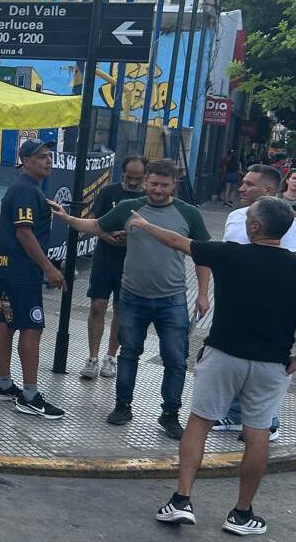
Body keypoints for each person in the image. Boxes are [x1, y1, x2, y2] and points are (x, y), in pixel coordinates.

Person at [137, 197, 296, 536]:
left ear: (255, 227)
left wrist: (143, 225)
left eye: (249, 219)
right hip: (272, 365)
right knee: (257, 436)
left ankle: (181, 501)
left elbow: (176, 241)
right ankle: (242, 514)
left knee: (199, 423)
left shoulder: (229, 254)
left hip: (222, 355)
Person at [50, 160, 210, 439]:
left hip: (172, 299)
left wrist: (204, 293)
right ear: (146, 182)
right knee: (128, 354)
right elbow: (97, 225)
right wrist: (67, 219)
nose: (158, 189)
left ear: (174, 185)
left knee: (175, 359)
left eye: (164, 184)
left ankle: (170, 413)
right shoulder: (128, 208)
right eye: (154, 183)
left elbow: (203, 254)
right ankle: (123, 405)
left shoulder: (189, 214)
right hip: (133, 296)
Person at [213, 164, 296, 438]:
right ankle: (232, 414)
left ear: (267, 190)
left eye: (248, 184)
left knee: (266, 363)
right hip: (233, 304)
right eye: (241, 182)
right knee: (231, 357)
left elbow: (295, 264)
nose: (241, 188)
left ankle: (268, 420)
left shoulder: (285, 221)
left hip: (270, 309)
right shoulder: (234, 217)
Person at [0, 139, 67, 419]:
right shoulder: (25, 190)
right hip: (21, 272)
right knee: (32, 327)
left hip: (6, 267)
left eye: (49, 156)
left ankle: (4, 383)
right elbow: (24, 233)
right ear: (25, 160)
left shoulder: (29, 190)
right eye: (42, 156)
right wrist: (49, 268)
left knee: (6, 321)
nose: (48, 161)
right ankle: (30, 396)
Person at [80, 155, 147, 380]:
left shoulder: (148, 199)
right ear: (122, 174)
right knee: (97, 306)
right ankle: (92, 357)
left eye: (138, 178)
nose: (134, 182)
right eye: (129, 177)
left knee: (121, 310)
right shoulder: (108, 193)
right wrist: (106, 236)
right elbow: (93, 222)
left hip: (132, 262)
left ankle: (110, 357)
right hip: (104, 260)